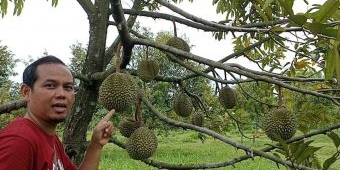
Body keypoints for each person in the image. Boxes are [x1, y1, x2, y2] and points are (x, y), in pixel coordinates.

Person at [0, 55, 115, 170]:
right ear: (26, 92)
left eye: (68, 87)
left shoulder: (50, 138)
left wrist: (96, 145)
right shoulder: (19, 141)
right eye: (50, 86)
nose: (62, 94)